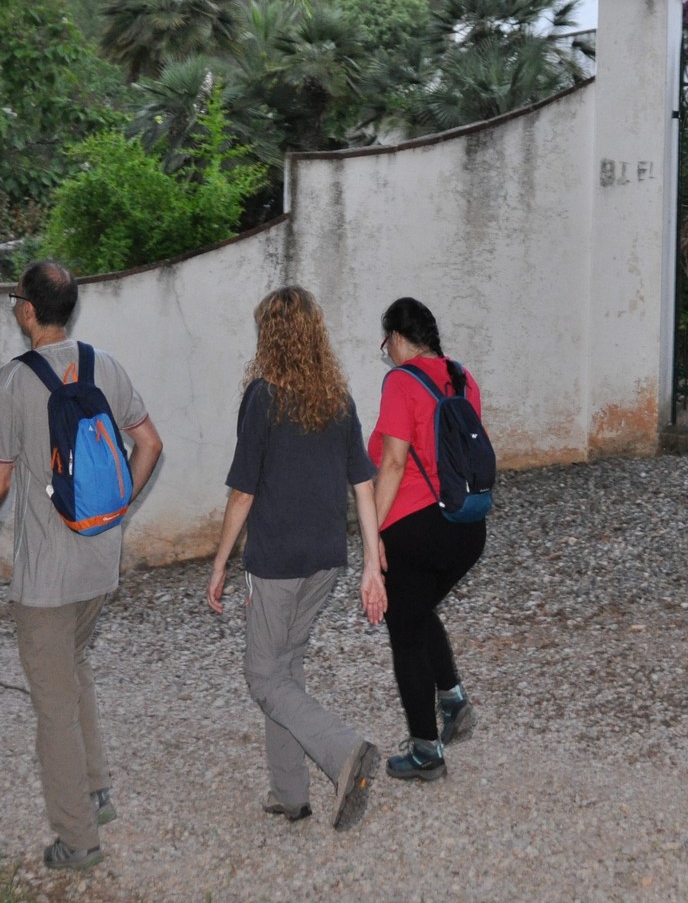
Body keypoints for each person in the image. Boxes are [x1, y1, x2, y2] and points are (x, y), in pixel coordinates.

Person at [0, 260, 163, 872]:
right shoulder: (104, 365)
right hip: (99, 561)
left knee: (53, 704)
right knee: (74, 666)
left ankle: (78, 840)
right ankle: (97, 790)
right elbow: (150, 444)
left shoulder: (14, 381)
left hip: (46, 578)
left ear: (29, 310)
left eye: (15, 299)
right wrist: (117, 509)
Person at [208, 287, 387, 831]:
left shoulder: (262, 398)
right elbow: (363, 485)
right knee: (285, 665)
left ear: (271, 337)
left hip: (277, 560)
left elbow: (243, 493)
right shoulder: (338, 398)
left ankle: (343, 751)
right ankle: (290, 794)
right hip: (326, 559)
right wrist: (370, 563)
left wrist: (219, 562)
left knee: (262, 676)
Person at [369, 296, 487, 783]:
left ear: (398, 338)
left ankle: (425, 751)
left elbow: (394, 462)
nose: (387, 353)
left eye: (386, 343)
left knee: (404, 628)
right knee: (417, 609)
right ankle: (453, 701)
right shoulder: (463, 377)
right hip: (467, 525)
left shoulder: (401, 381)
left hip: (416, 527)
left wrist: (372, 535)